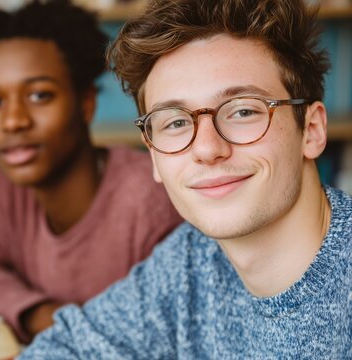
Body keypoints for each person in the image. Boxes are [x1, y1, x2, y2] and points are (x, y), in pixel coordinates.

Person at [21, 0, 352, 357]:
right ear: (153, 155)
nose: (207, 149)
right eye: (176, 122)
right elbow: (66, 348)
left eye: (243, 110)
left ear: (312, 131)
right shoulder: (190, 259)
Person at [0, 0, 182, 343]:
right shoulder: (9, 184)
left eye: (39, 95)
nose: (13, 121)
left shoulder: (150, 200)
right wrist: (40, 313)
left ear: (86, 104)